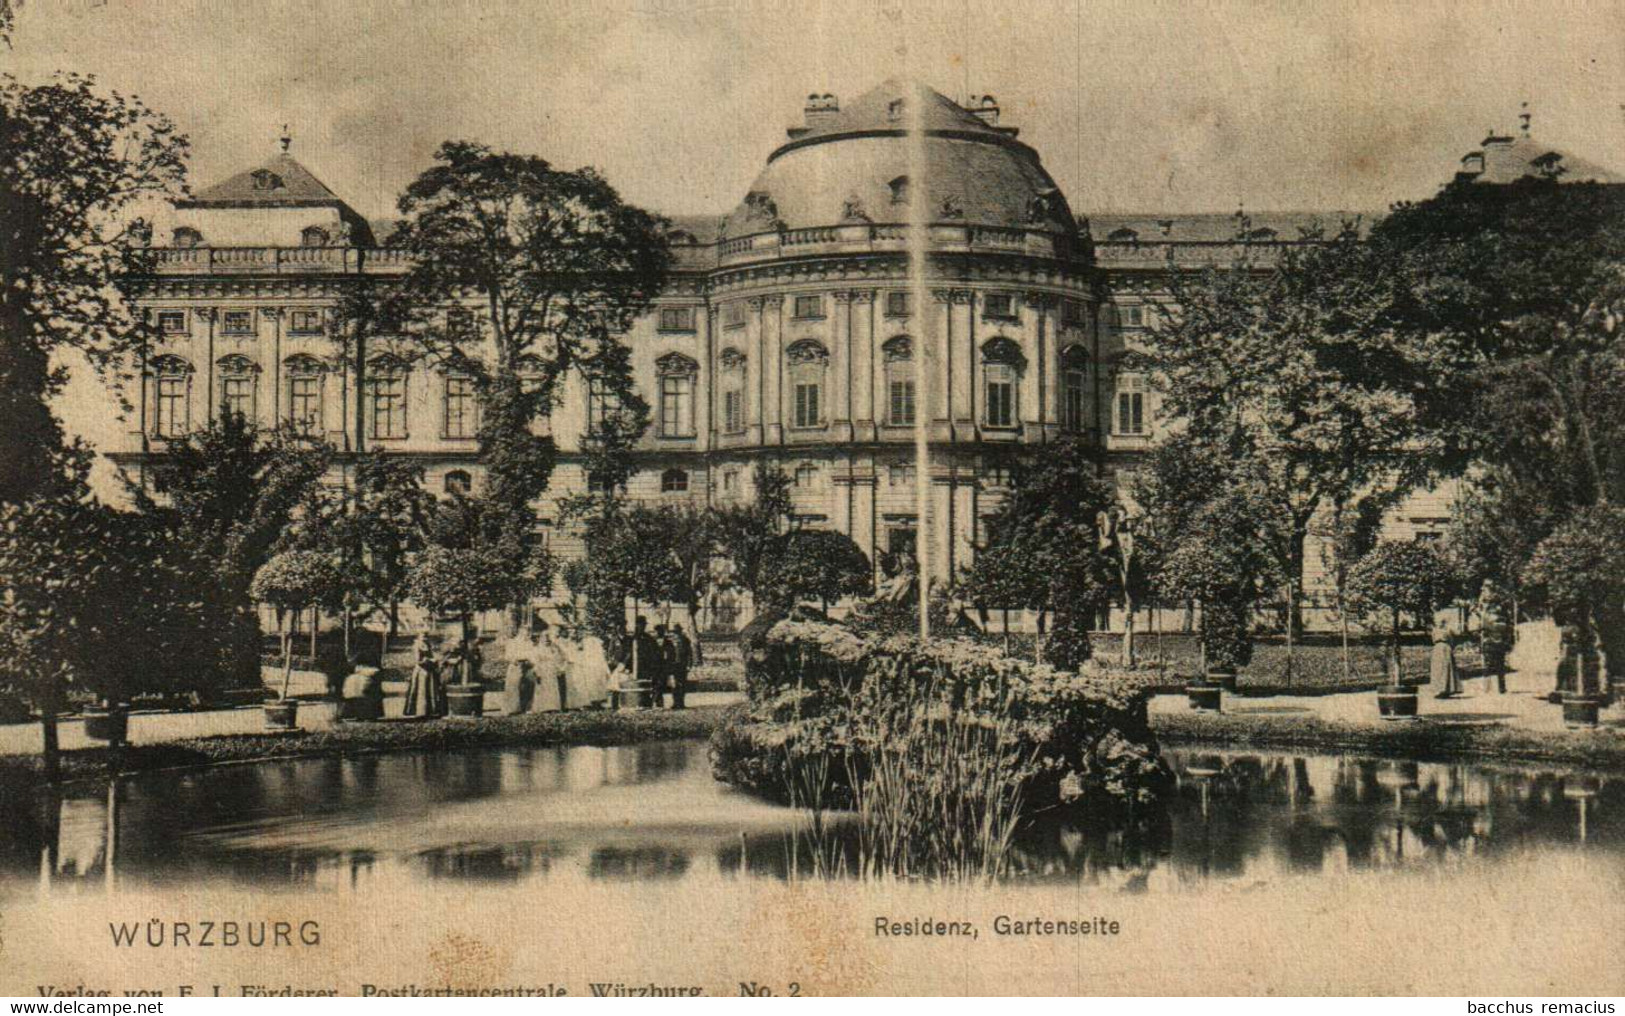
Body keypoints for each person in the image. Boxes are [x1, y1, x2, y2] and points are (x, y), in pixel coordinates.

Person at [403, 632, 447, 719]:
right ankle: (420, 711)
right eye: (423, 635)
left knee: (430, 689)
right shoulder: (417, 645)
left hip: (429, 669)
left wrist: (434, 661)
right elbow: (418, 661)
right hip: (421, 670)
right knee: (421, 689)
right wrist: (429, 661)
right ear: (418, 636)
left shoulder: (427, 644)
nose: (425, 637)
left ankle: (430, 710)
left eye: (426, 635)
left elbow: (430, 656)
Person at [500, 631, 536, 715]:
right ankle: (513, 708)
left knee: (528, 686)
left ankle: (526, 707)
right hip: (515, 665)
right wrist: (515, 661)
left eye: (528, 634)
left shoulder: (530, 643)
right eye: (525, 633)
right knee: (513, 686)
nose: (527, 635)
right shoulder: (512, 642)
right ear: (520, 633)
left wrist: (530, 662)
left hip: (527, 665)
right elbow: (507, 656)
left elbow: (534, 655)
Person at [666, 625, 694, 710]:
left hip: (682, 665)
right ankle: (675, 703)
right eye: (675, 632)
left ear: (680, 632)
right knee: (674, 685)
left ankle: (681, 703)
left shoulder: (685, 641)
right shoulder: (670, 641)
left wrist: (689, 664)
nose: (676, 634)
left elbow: (689, 654)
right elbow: (668, 654)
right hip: (673, 665)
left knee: (682, 684)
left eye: (678, 632)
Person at [1431, 624, 1462, 699]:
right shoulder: (1436, 630)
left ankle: (1447, 690)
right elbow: (1451, 641)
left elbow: (1452, 640)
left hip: (1443, 649)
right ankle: (1441, 690)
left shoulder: (1448, 630)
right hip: (1441, 649)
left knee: (1447, 668)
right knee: (1438, 669)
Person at [650, 624, 672, 708]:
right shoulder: (652, 641)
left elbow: (671, 654)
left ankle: (656, 700)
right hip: (654, 666)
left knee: (661, 683)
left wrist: (669, 663)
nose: (659, 632)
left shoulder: (668, 642)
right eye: (657, 631)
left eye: (661, 631)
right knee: (654, 683)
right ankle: (657, 701)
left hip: (663, 666)